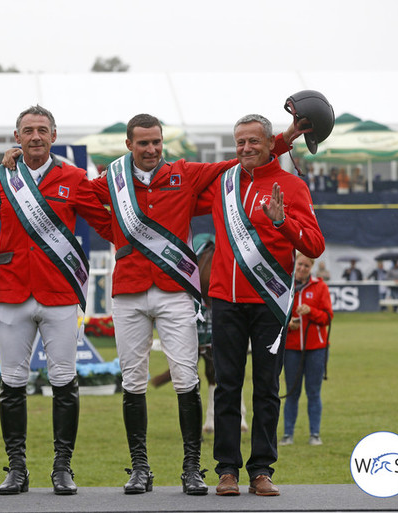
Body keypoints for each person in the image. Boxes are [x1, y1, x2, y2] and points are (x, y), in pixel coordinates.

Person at [89, 114, 303, 496]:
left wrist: (283, 139)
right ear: (129, 146)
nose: (151, 149)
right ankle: (140, 468)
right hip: (129, 289)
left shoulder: (184, 173)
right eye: (143, 143)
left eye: (156, 142)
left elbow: (239, 162)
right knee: (133, 381)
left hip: (174, 289)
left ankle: (191, 468)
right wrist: (118, 235)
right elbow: (80, 198)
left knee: (187, 379)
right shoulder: (112, 180)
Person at [196, 113, 325, 497]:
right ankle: (226, 471)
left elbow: (315, 246)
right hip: (225, 300)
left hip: (270, 302)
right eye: (240, 142)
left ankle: (262, 470)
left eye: (254, 141)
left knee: (267, 387)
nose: (247, 148)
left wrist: (283, 221)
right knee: (226, 386)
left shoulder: (292, 185)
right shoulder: (223, 183)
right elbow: (181, 190)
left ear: (271, 144)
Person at [0, 105, 112, 495]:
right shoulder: (0, 175)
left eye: (43, 130)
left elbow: (105, 223)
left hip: (58, 293)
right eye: (28, 130)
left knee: (63, 380)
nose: (36, 136)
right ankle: (17, 468)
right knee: (12, 383)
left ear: (53, 136)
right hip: (11, 292)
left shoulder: (74, 178)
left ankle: (62, 468)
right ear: (17, 136)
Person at [280, 253, 333, 447]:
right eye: (300, 265)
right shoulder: (285, 285)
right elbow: (277, 315)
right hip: (292, 348)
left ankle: (315, 434)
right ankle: (287, 434)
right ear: (295, 266)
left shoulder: (320, 287)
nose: (302, 269)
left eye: (306, 266)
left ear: (311, 268)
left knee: (313, 392)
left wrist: (312, 312)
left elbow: (328, 317)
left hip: (316, 349)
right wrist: (289, 324)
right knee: (292, 393)